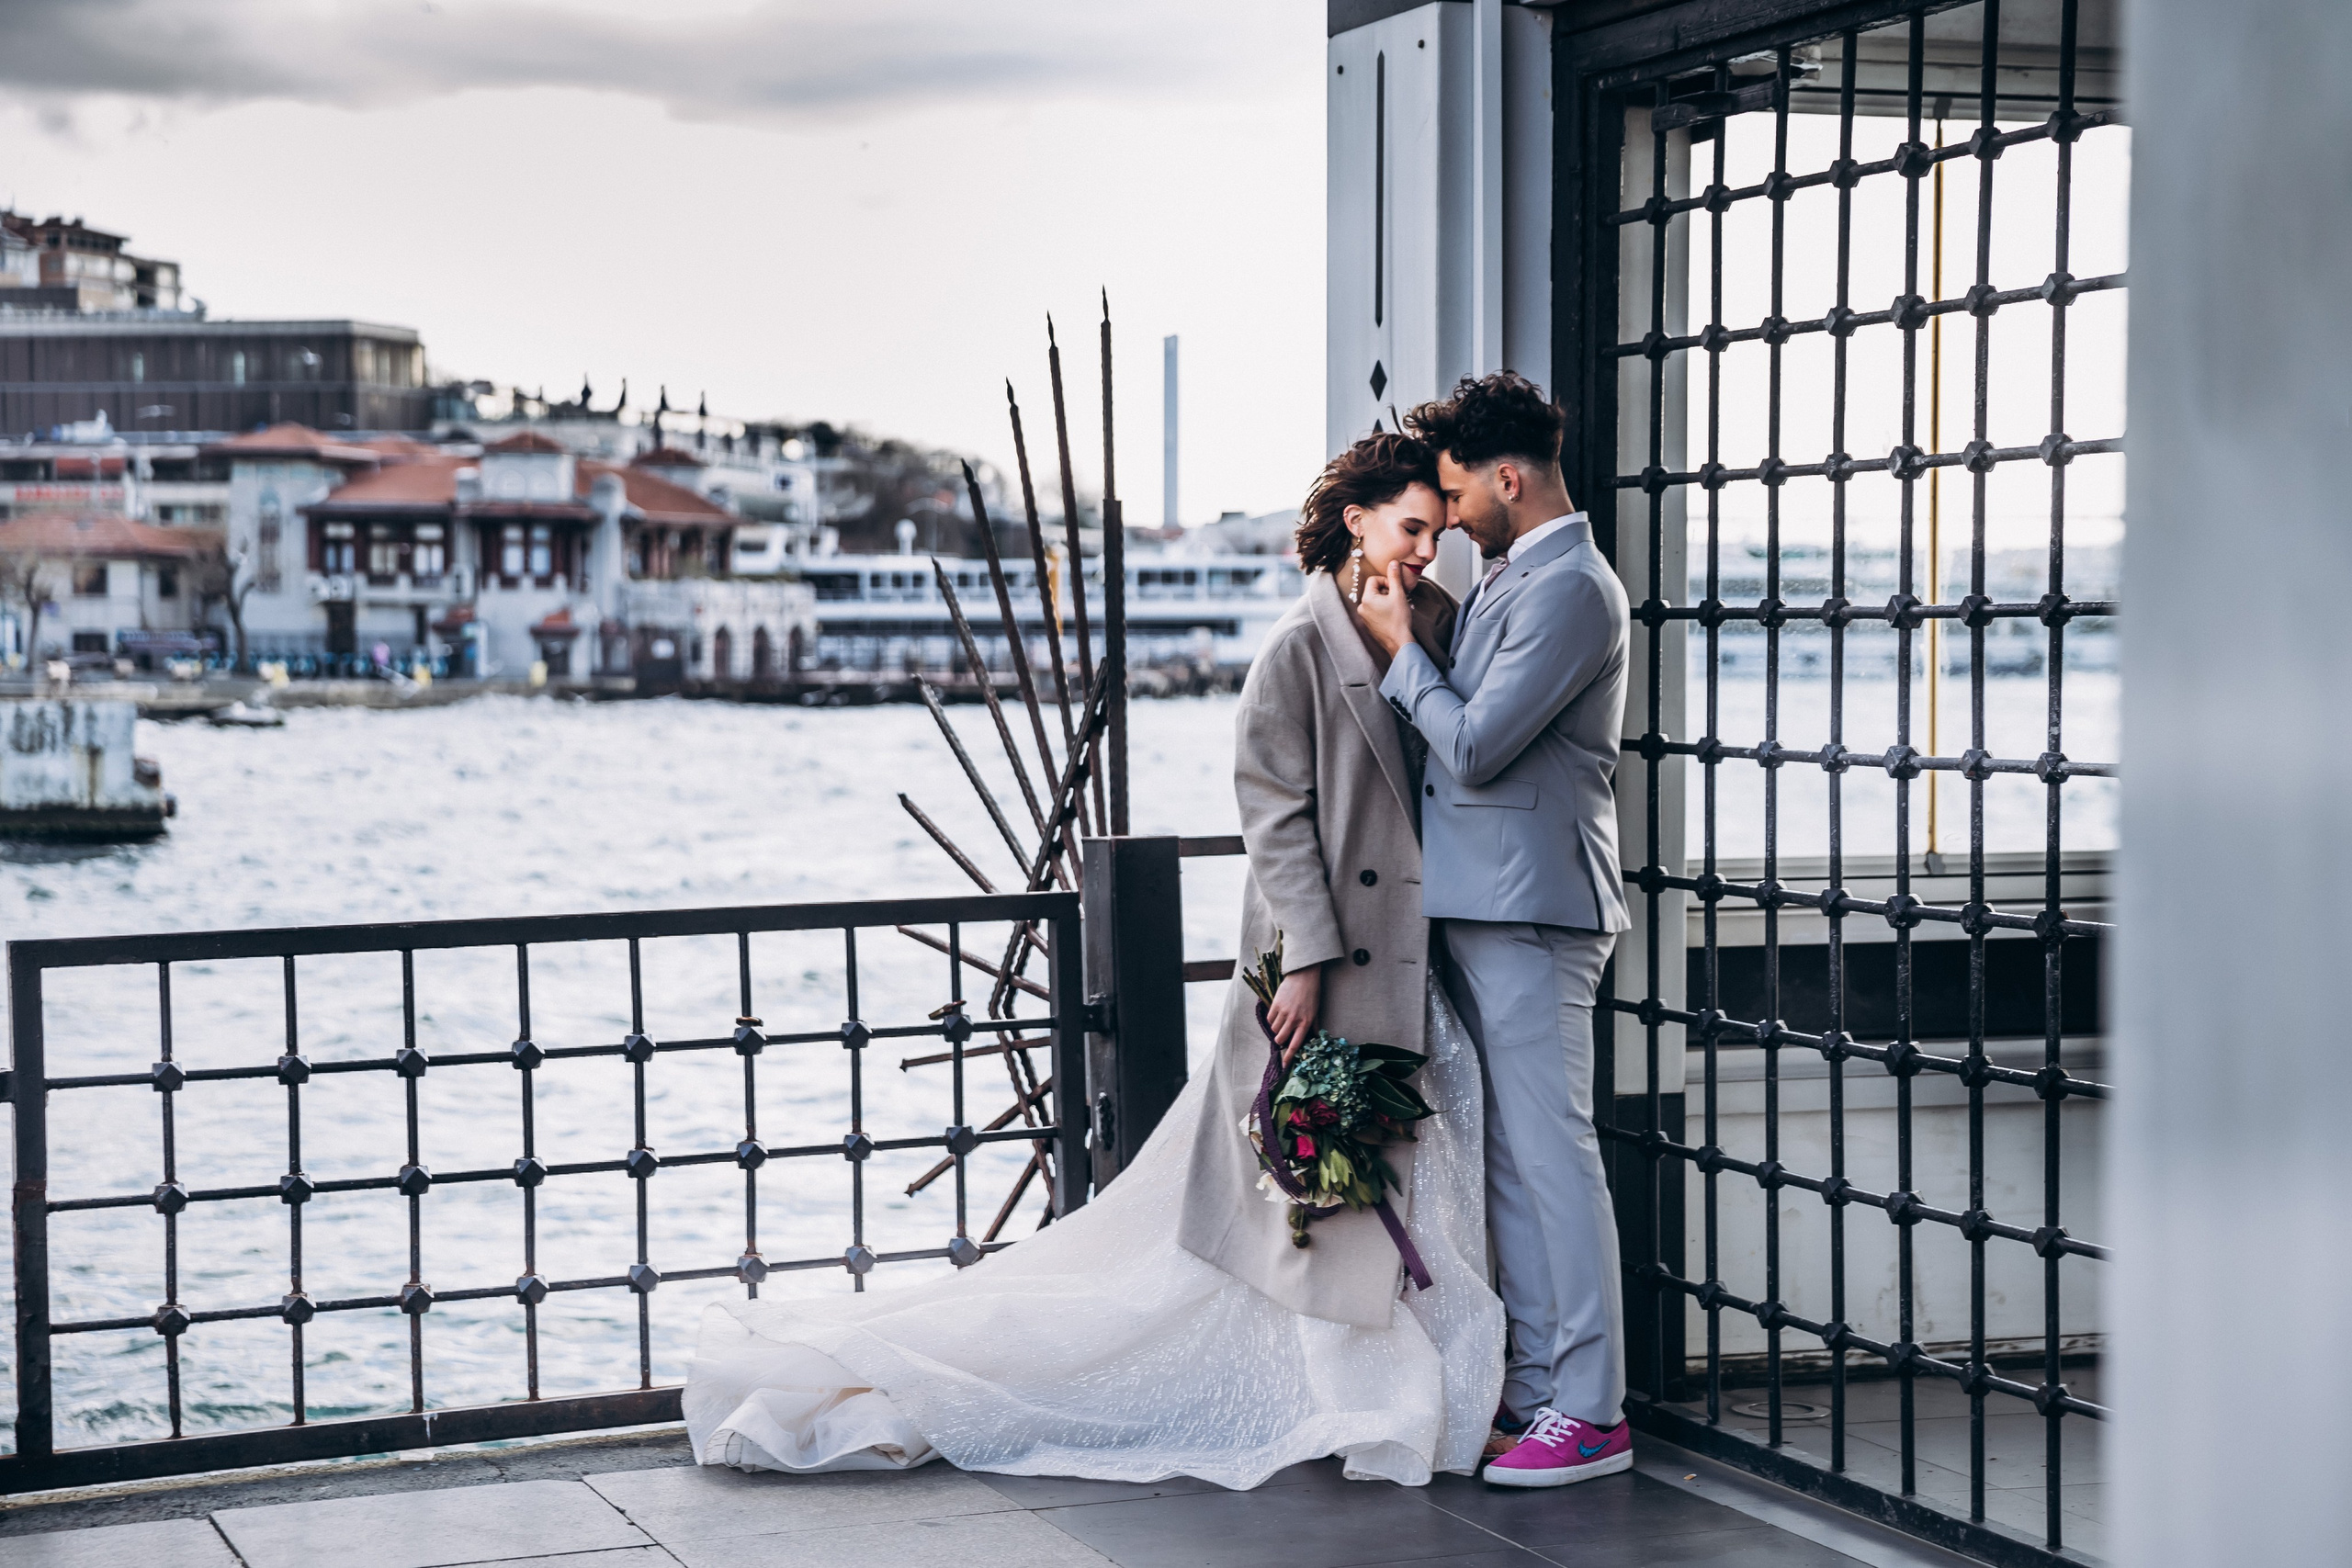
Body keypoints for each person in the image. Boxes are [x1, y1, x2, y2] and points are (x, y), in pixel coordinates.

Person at [684, 433, 1504, 1488]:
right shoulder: (1299, 645)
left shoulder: (1426, 619)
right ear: (1357, 521)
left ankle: (1427, 1396)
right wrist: (1305, 958)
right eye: (1412, 528)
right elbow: (1273, 814)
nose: (1427, 550)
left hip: (1410, 952)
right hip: (1331, 962)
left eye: (1437, 532)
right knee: (1329, 1203)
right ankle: (1387, 1406)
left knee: (1409, 1186)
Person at [1357, 371, 1635, 1488]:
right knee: (1516, 1167)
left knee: (1555, 1162)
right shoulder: (1513, 576)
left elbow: (1475, 746)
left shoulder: (1572, 591)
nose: (1454, 514)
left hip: (1535, 910)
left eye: (1461, 493)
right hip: (1484, 906)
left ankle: (1594, 1413)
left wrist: (1399, 652)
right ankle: (1537, 1392)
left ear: (1507, 479)